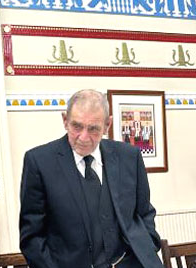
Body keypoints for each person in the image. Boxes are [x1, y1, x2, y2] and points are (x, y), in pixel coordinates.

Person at [19, 89, 162, 268]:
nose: (84, 137)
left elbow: (144, 212)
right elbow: (32, 237)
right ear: (65, 120)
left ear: (107, 125)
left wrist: (148, 244)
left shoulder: (129, 156)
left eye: (93, 129)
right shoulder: (39, 162)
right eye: (77, 126)